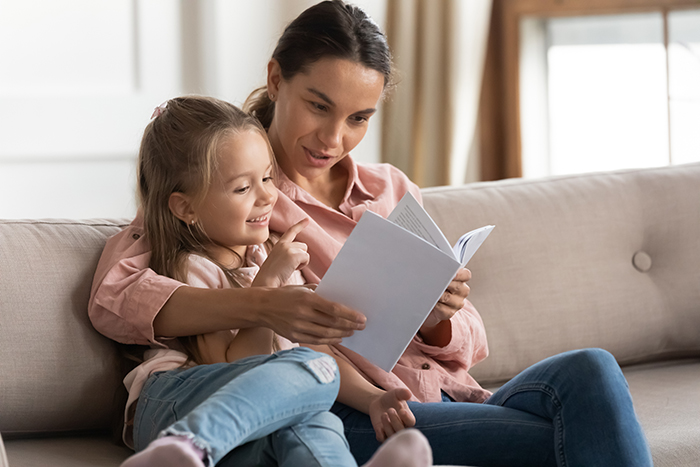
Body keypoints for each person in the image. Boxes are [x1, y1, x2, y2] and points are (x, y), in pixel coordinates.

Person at [90, 1, 653, 465]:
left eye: (358, 118)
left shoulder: (389, 188)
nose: (334, 138)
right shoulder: (230, 198)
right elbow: (119, 294)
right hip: (354, 410)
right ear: (275, 79)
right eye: (319, 106)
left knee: (591, 370)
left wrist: (439, 317)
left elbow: (472, 340)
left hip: (449, 393)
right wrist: (263, 301)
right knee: (577, 433)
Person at [115, 96, 432, 467]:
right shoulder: (190, 268)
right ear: (186, 208)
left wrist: (373, 398)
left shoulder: (265, 255)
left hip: (246, 428)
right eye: (242, 188)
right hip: (174, 400)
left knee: (316, 422)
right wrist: (267, 282)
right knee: (314, 374)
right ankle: (190, 445)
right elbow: (238, 365)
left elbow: (315, 354)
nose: (268, 195)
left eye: (266, 178)